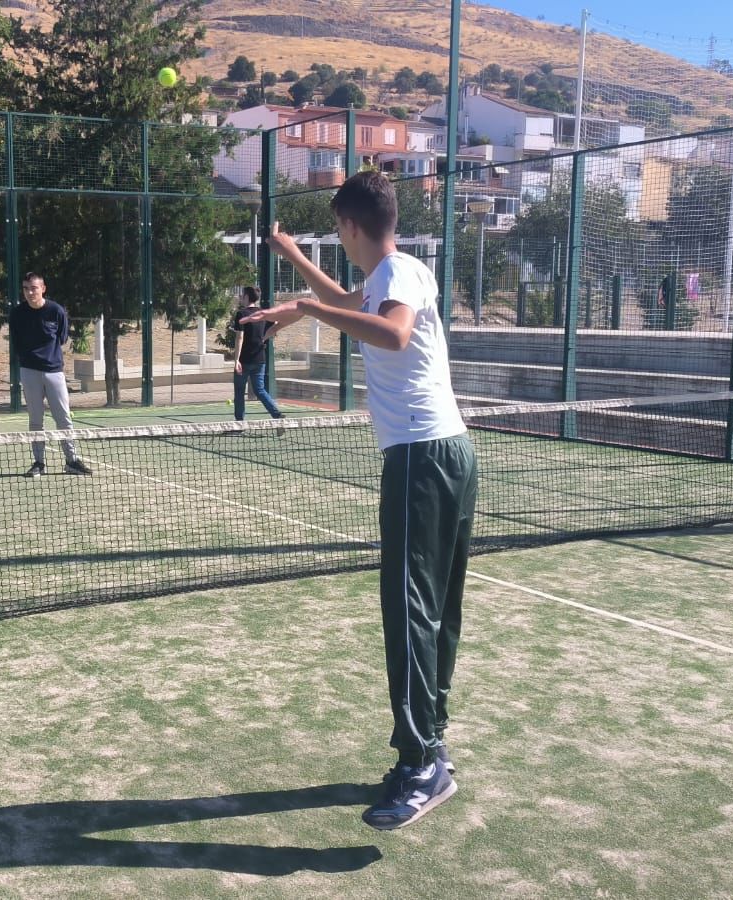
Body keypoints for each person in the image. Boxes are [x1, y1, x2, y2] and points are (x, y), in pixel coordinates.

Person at [241, 171, 477, 831]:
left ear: (349, 227)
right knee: (435, 609)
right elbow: (352, 299)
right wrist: (294, 261)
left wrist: (309, 312)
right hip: (450, 453)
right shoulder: (396, 273)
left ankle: (423, 759)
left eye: (335, 232)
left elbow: (393, 334)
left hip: (419, 459)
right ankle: (429, 747)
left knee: (410, 610)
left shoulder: (396, 280)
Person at [11, 272, 90, 477]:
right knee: (36, 421)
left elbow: (62, 338)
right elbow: (16, 342)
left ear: (43, 288)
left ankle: (71, 461)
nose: (29, 292)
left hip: (54, 372)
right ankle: (38, 463)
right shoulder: (17, 313)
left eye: (34, 288)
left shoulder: (56, 311)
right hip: (29, 372)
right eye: (26, 288)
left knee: (63, 418)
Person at [229, 285, 284, 421]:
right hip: (260, 359)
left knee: (239, 392)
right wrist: (263, 338)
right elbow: (276, 324)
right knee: (260, 390)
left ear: (247, 297)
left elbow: (239, 337)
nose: (241, 297)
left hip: (244, 360)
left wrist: (236, 361)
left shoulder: (241, 314)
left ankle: (240, 424)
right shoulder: (264, 314)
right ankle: (277, 414)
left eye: (242, 295)